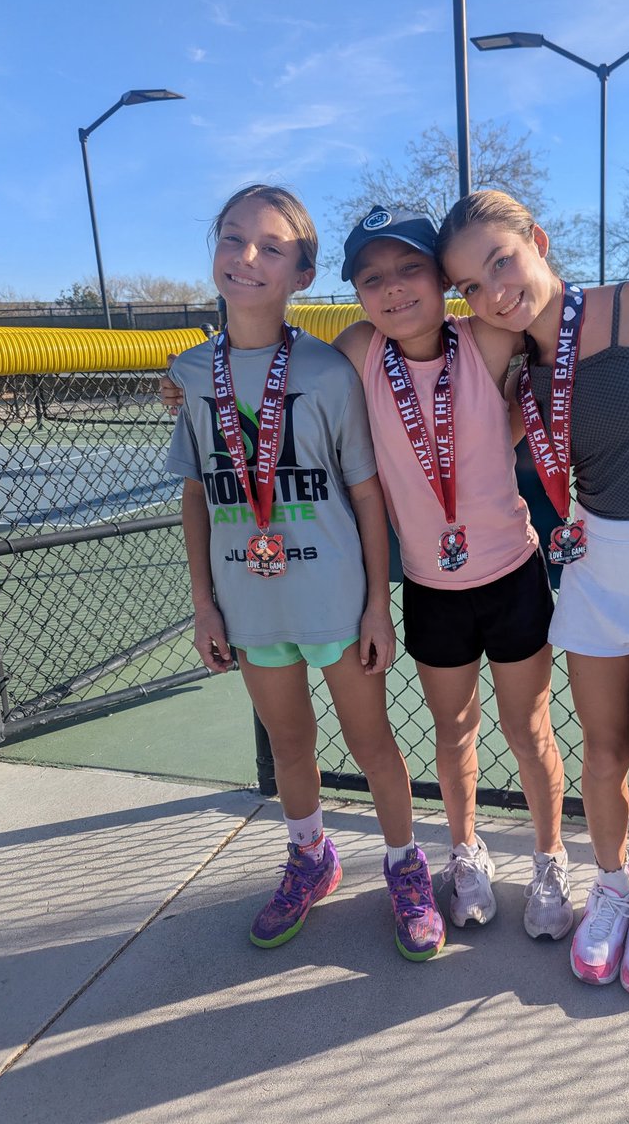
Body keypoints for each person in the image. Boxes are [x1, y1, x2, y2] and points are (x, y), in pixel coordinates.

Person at [332, 206, 629, 941]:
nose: (395, 290)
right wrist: (191, 381)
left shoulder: (490, 334)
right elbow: (277, 364)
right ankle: (466, 856)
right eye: (373, 279)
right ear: (358, 295)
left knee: (530, 730)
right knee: (453, 728)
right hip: (431, 587)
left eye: (412, 271)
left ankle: (549, 859)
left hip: (512, 573)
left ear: (444, 284)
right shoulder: (356, 350)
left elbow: (559, 310)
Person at [437, 190, 629, 997]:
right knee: (603, 753)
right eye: (472, 285)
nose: (495, 290)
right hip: (593, 568)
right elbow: (409, 375)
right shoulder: (517, 377)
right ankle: (610, 886)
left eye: (501, 260)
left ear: (538, 240)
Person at [164, 185, 445, 962]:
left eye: (271, 247)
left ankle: (403, 865)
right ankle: (310, 857)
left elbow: (365, 492)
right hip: (248, 607)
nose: (246, 257)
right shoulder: (190, 374)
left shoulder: (327, 372)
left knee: (372, 744)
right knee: (290, 746)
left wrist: (377, 609)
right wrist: (204, 604)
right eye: (232, 238)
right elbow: (195, 492)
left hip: (335, 601)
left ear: (304, 273)